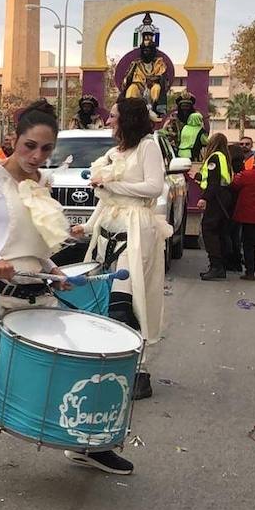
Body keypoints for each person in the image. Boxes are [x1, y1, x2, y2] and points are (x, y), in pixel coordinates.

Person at [0, 104, 136, 485]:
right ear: (13, 141)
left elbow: (36, 246)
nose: (37, 156)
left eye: (45, 149)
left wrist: (55, 273)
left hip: (34, 290)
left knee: (75, 363)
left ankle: (85, 446)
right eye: (29, 146)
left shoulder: (41, 181)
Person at [70, 97, 171, 401]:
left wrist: (112, 186)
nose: (109, 120)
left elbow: (154, 188)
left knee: (128, 301)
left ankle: (141, 370)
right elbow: (106, 198)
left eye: (113, 116)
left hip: (136, 230)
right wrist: (88, 227)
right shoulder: (114, 153)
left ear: (127, 119)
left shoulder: (148, 147)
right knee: (106, 304)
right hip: (108, 234)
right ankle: (113, 365)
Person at [196, 132, 232, 281]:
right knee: (220, 231)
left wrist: (204, 198)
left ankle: (216, 266)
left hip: (216, 197)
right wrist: (199, 177)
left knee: (209, 229)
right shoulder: (224, 157)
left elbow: (214, 182)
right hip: (224, 196)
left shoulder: (215, 157)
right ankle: (221, 266)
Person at [229, 155, 255, 281]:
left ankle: (250, 272)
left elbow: (234, 185)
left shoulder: (247, 175)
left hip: (250, 217)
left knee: (248, 245)